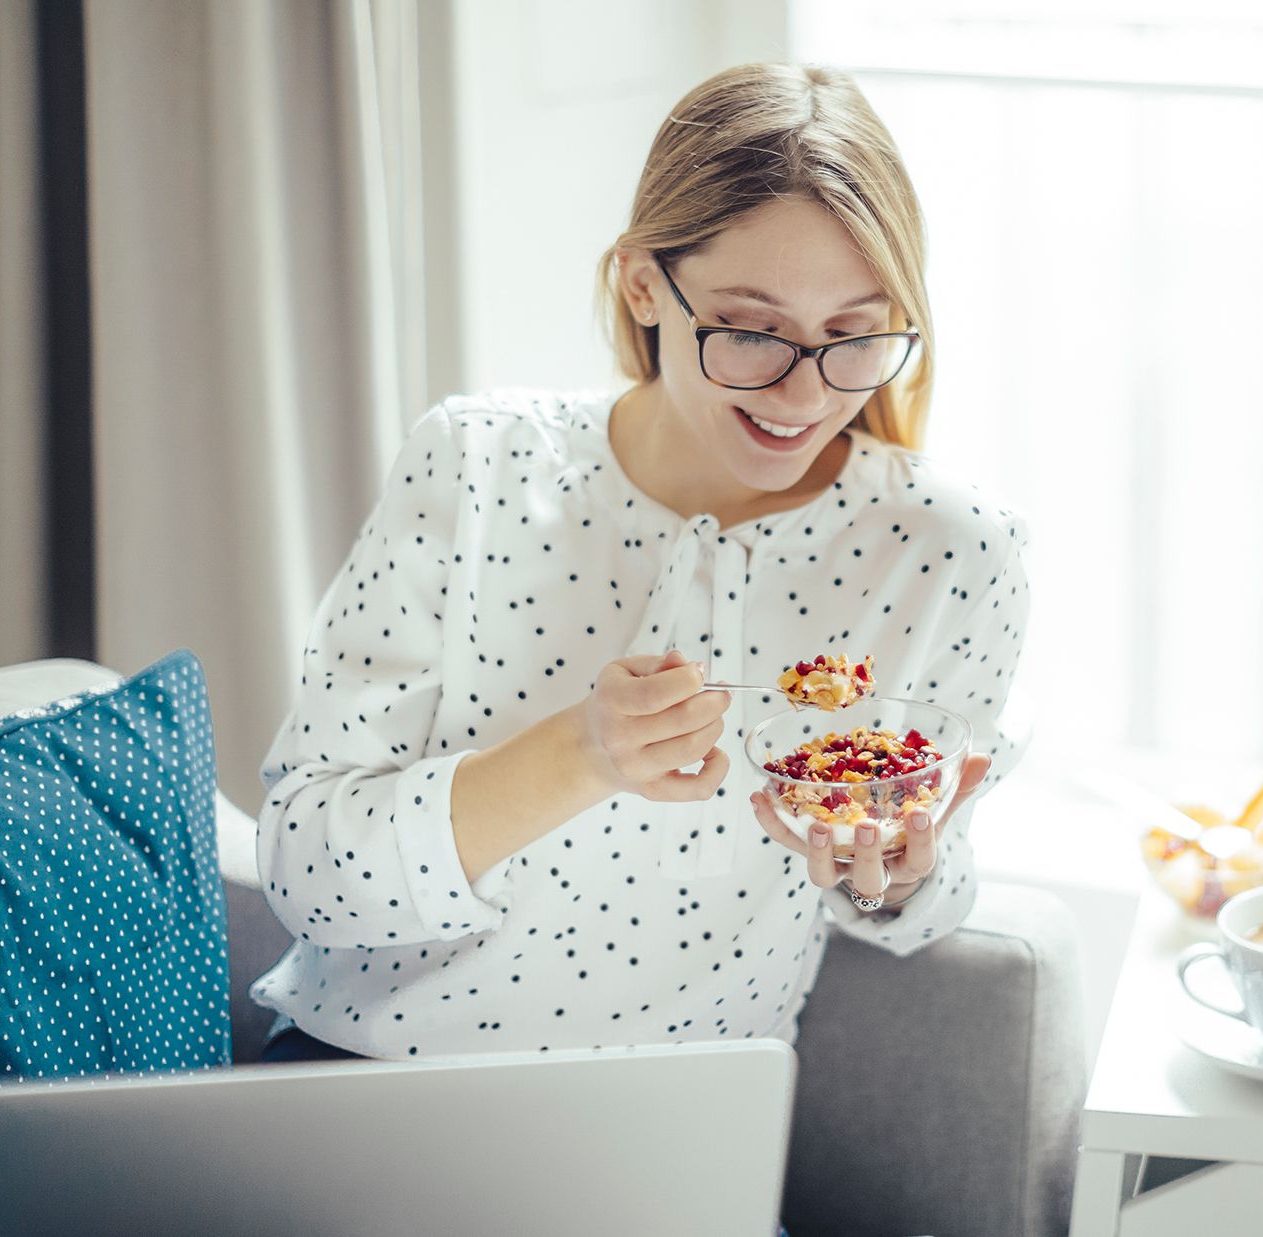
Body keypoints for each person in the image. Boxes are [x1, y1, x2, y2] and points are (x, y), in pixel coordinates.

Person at [251, 63, 1030, 1060]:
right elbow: (306, 869)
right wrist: (581, 752)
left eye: (853, 335)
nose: (800, 394)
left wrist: (898, 873)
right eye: (750, 330)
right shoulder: (476, 461)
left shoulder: (954, 551)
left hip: (679, 1133)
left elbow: (930, 902)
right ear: (640, 284)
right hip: (367, 1083)